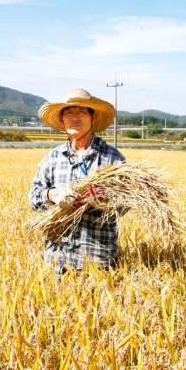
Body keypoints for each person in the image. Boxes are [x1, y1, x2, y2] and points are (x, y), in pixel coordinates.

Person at [28, 88, 125, 275]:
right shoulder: (53, 157)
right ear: (62, 120)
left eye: (81, 111)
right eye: (69, 112)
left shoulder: (111, 158)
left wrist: (107, 202)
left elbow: (127, 203)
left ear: (93, 118)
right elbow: (33, 196)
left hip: (97, 261)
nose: (74, 117)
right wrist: (52, 194)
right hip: (57, 259)